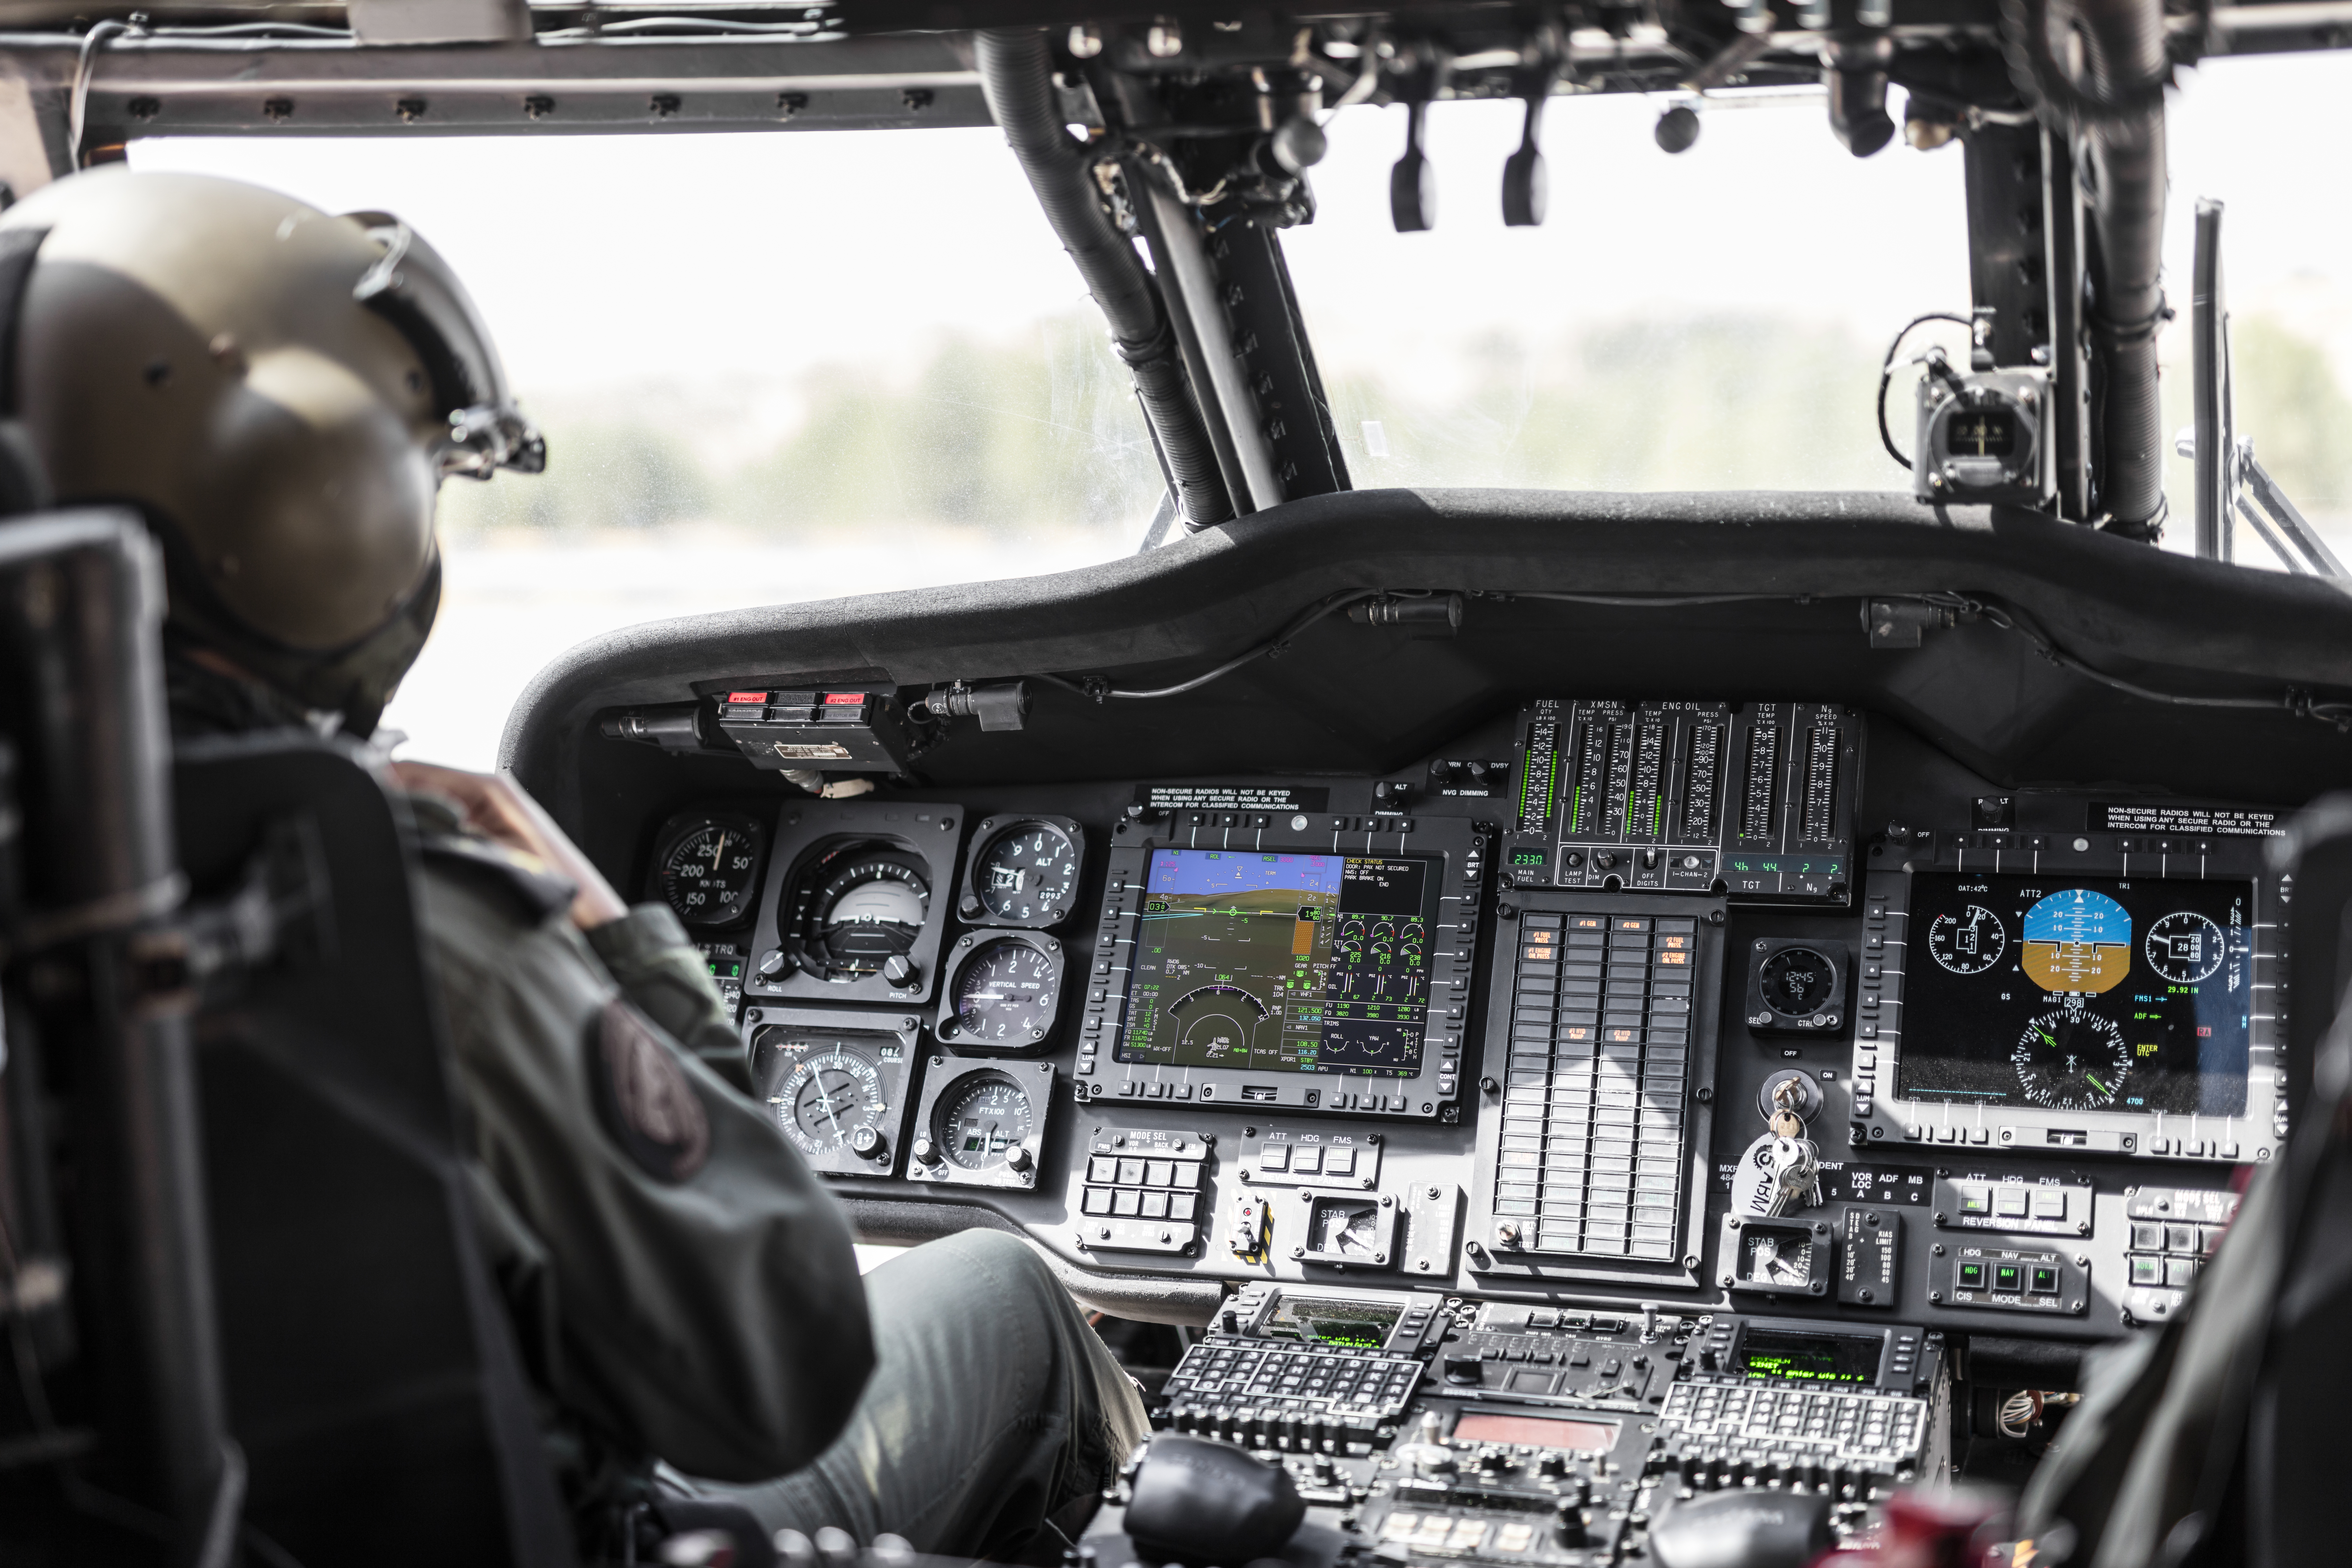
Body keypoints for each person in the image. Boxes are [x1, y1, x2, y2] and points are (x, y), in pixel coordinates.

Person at [0, 167, 1147, 1559]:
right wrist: (602, 931)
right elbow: (773, 1380)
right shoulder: (377, 909)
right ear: (323, 493)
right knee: (1005, 1292)